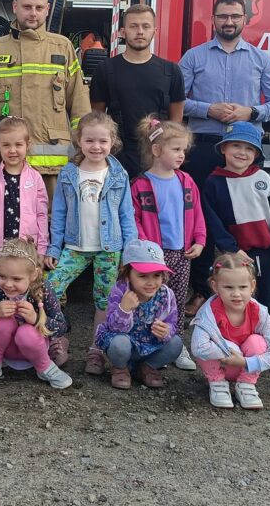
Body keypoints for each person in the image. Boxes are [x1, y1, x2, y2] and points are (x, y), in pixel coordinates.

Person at [178, 0, 270, 315]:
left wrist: (249, 111)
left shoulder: (260, 59)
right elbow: (175, 100)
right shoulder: (194, 57)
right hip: (203, 144)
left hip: (246, 147)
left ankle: (249, 292)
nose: (228, 22)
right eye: (223, 16)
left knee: (243, 220)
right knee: (203, 223)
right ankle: (201, 290)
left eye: (235, 16)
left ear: (245, 19)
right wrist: (207, 108)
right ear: (213, 19)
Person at [0, 0, 91, 193]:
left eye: (39, 7)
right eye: (27, 7)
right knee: (6, 221)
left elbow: (79, 103)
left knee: (52, 222)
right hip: (7, 163)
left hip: (53, 168)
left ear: (47, 9)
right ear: (15, 7)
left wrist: (85, 146)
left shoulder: (63, 47)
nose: (33, 13)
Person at [45, 111, 138, 375]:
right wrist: (54, 247)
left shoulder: (119, 175)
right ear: (79, 141)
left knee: (105, 301)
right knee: (50, 287)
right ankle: (56, 339)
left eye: (102, 141)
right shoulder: (69, 173)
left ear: (112, 142)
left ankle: (97, 350)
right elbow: (59, 214)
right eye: (90, 141)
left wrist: (130, 254)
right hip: (74, 247)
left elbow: (126, 215)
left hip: (109, 250)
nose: (96, 147)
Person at [129, 118, 205, 371]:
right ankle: (144, 342)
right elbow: (135, 219)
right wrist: (146, 249)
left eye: (183, 150)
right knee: (149, 300)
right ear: (156, 151)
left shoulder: (187, 182)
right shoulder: (141, 185)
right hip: (154, 258)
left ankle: (175, 343)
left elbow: (197, 215)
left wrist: (200, 240)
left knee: (177, 300)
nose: (181, 155)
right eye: (175, 149)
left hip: (182, 254)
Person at [202, 122, 270, 332]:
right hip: (234, 254)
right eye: (236, 146)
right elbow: (213, 221)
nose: (242, 152)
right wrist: (231, 249)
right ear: (224, 148)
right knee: (234, 299)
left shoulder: (263, 179)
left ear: (256, 153)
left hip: (267, 251)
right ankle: (236, 342)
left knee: (267, 300)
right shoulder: (214, 182)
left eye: (249, 148)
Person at [90, 4, 185, 176]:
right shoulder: (105, 69)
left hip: (158, 159)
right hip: (116, 159)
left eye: (146, 26)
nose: (140, 31)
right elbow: (96, 118)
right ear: (123, 32)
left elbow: (175, 123)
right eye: (134, 26)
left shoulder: (171, 71)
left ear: (154, 31)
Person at [0, 237, 72, 390]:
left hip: (35, 351)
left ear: (34, 275)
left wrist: (36, 319)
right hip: (4, 352)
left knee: (26, 332)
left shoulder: (44, 289)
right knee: (2, 322)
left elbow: (62, 327)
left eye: (17, 279)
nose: (8, 284)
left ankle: (45, 367)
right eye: (2, 276)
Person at [190, 251, 270, 410]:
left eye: (242, 287)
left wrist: (245, 362)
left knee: (258, 342)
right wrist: (231, 351)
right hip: (219, 364)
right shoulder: (208, 313)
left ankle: (246, 385)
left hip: (245, 365)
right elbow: (198, 347)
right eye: (228, 287)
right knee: (210, 340)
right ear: (215, 286)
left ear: (252, 286)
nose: (236, 294)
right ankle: (217, 383)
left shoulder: (259, 312)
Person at [94, 239, 184, 389]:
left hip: (150, 345)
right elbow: (113, 328)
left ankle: (147, 367)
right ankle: (120, 368)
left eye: (156, 276)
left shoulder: (166, 295)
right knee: (119, 343)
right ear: (128, 274)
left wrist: (166, 330)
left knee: (176, 343)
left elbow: (172, 323)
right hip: (125, 343)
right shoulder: (120, 291)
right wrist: (124, 309)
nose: (151, 282)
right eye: (143, 276)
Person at [0, 116, 49, 266]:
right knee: (2, 284)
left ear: (27, 145)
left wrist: (42, 249)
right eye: (6, 145)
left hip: (27, 249)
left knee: (24, 285)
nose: (12, 150)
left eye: (18, 144)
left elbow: (42, 215)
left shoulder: (35, 178)